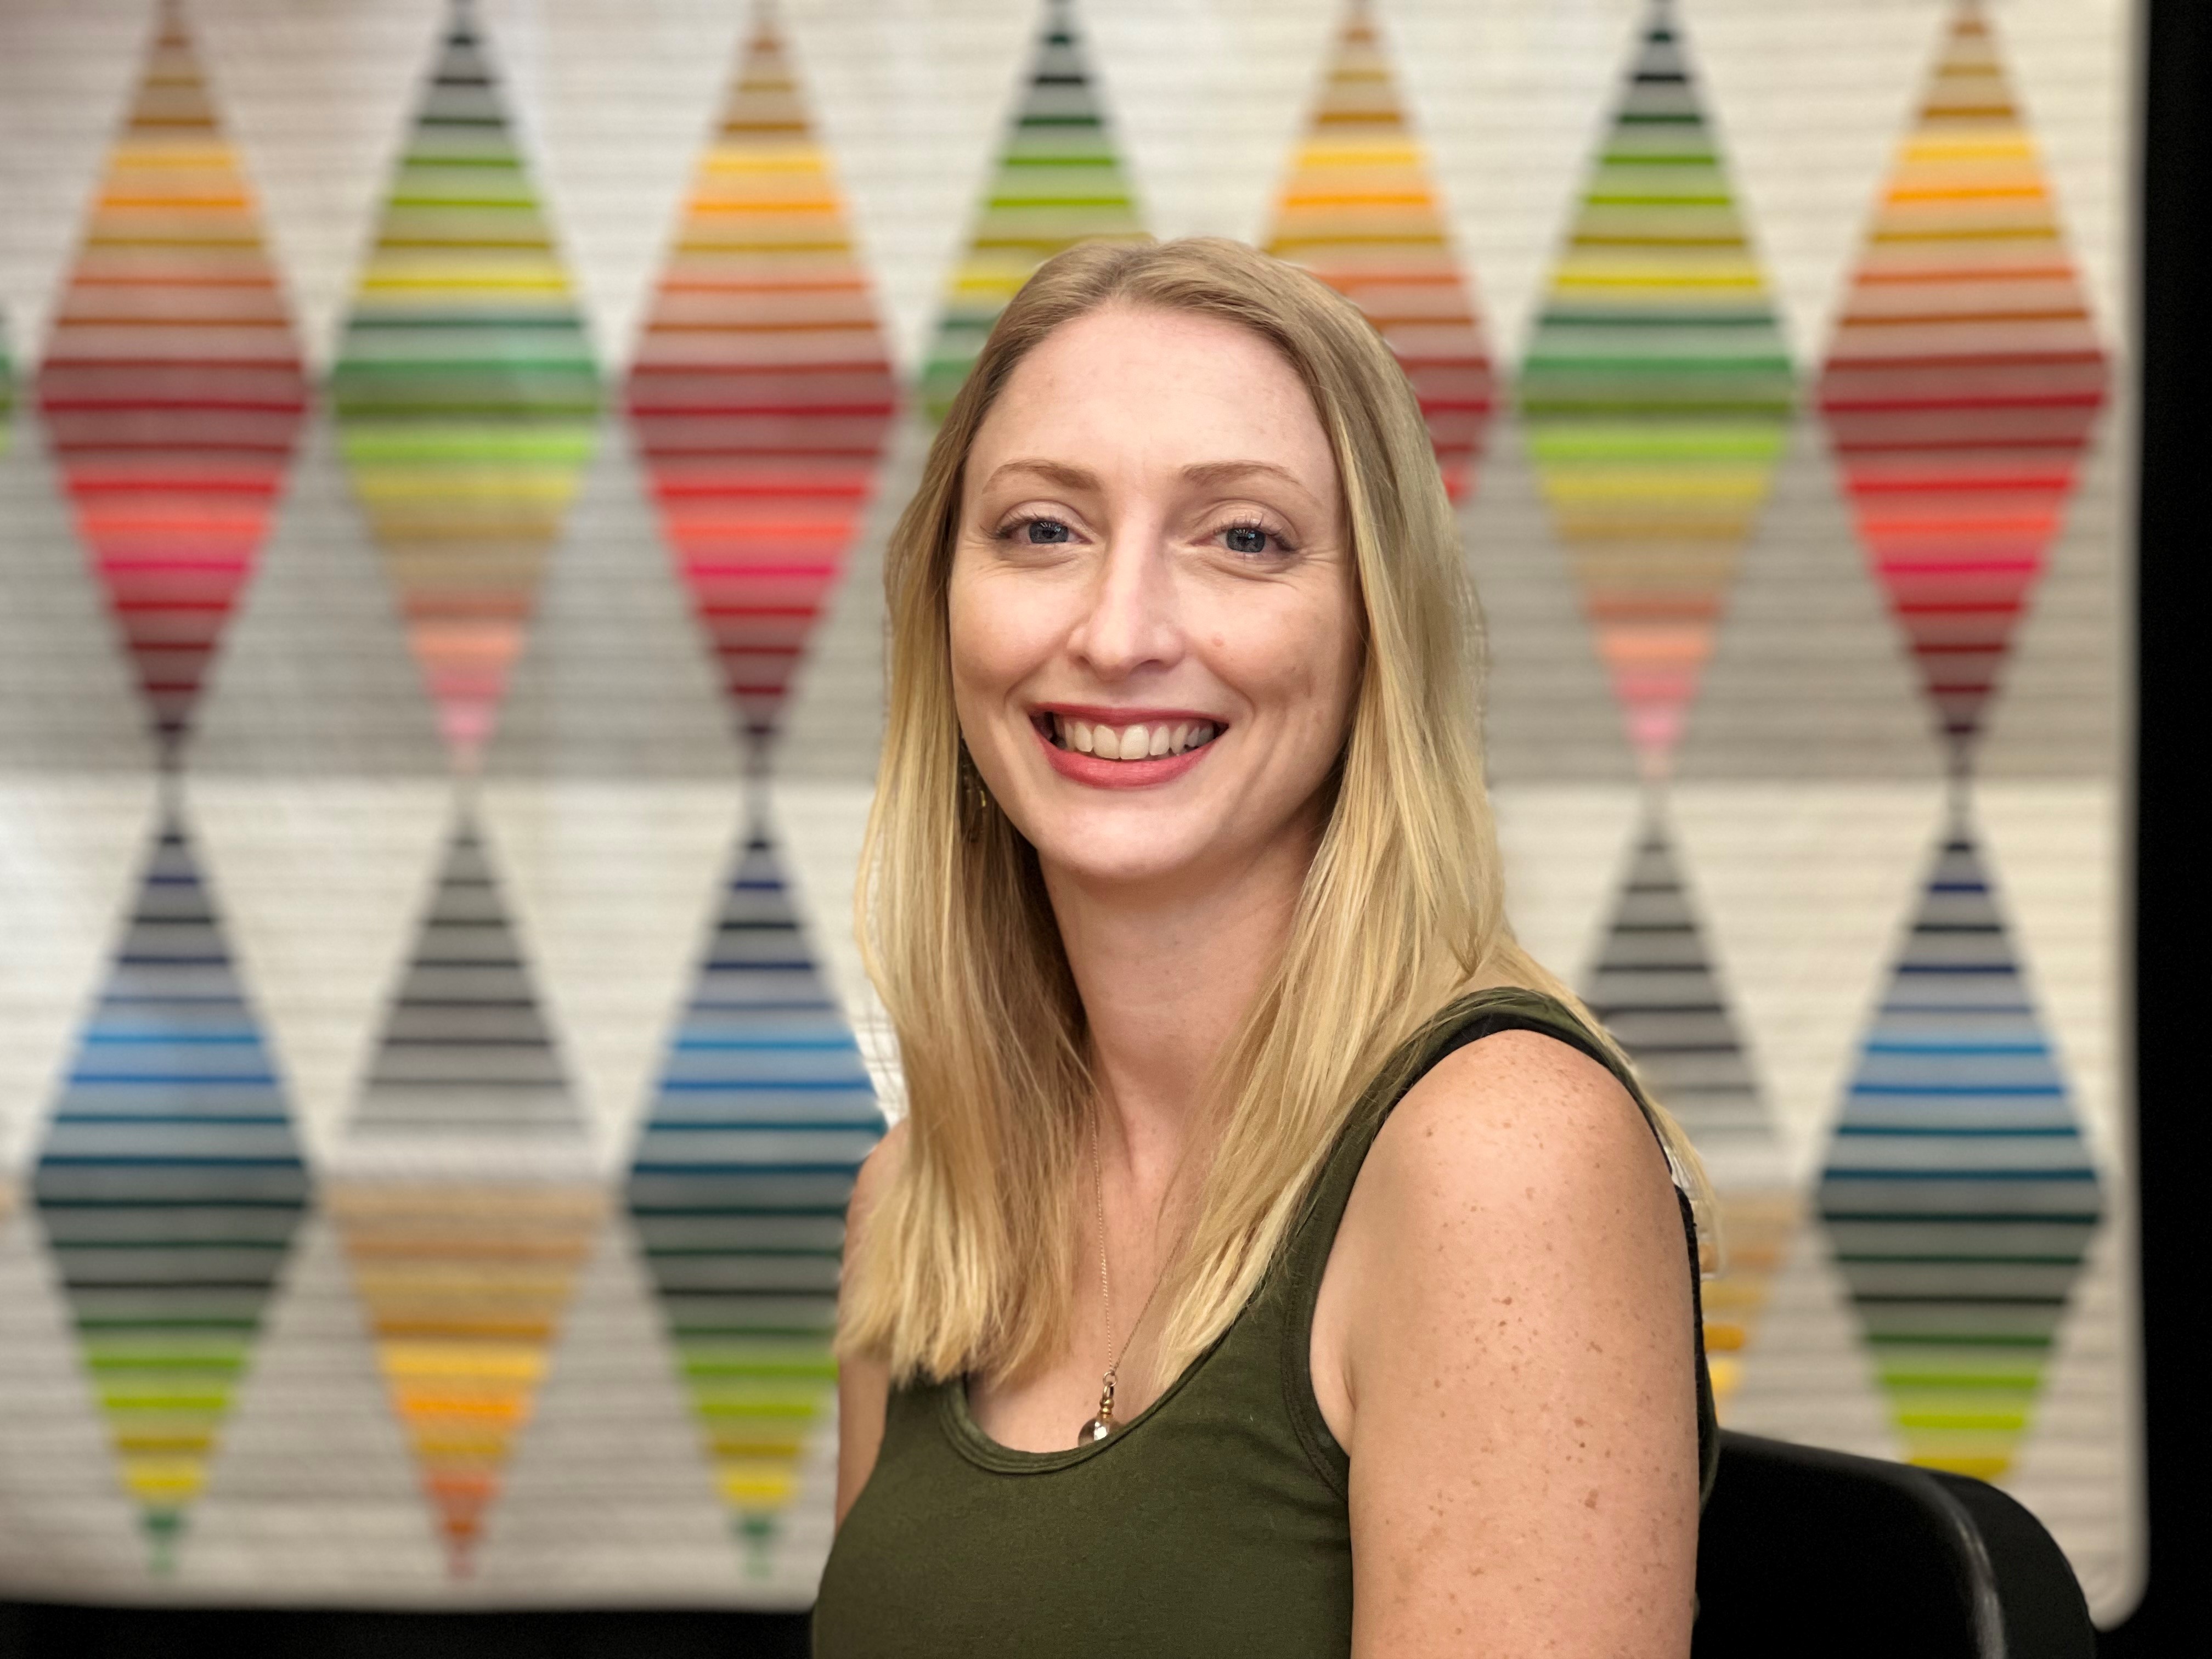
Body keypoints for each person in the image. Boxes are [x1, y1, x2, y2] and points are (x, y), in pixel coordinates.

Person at [812, 238, 1714, 1658]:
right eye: (1044, 529)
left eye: (1243, 537)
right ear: (943, 606)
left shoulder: (1501, 1160)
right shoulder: (924, 1197)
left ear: (1374, 631)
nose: (1118, 634)